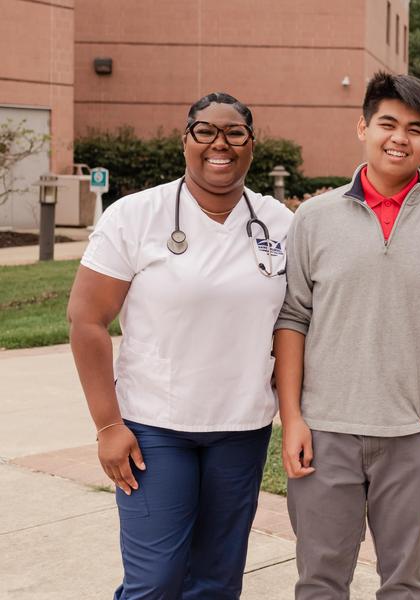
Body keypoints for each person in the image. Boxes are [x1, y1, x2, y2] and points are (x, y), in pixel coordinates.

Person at [67, 92, 292, 599]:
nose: (221, 144)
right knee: (156, 581)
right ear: (185, 140)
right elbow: (86, 319)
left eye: (235, 133)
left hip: (241, 427)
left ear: (252, 146)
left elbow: (296, 322)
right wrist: (108, 424)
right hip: (153, 428)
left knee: (216, 581)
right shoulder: (135, 216)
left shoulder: (280, 225)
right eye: (205, 131)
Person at [273, 71, 420, 599]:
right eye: (387, 123)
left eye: (415, 129)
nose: (400, 138)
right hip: (325, 431)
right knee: (320, 581)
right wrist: (293, 417)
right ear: (362, 127)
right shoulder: (312, 219)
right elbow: (292, 319)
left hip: (413, 432)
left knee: (406, 584)